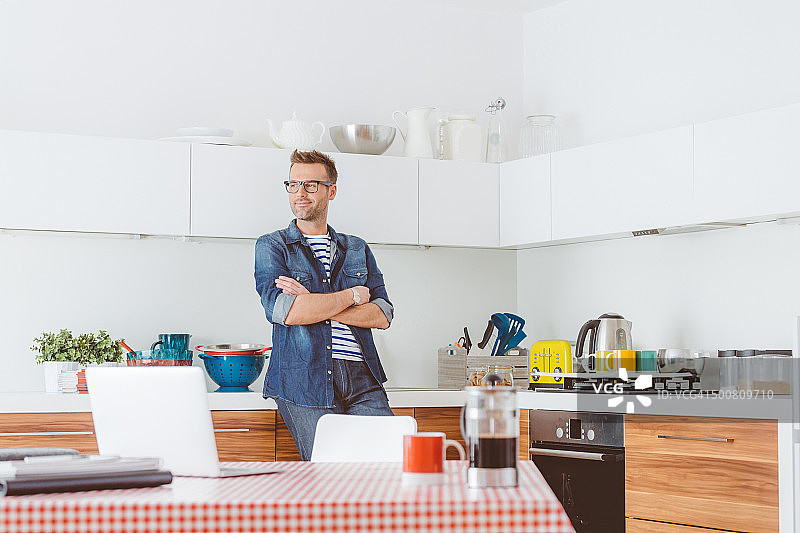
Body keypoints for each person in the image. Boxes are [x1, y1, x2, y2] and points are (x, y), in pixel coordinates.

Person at [254, 149, 395, 460]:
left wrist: (312, 302)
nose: (300, 193)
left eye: (311, 185)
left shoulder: (357, 247)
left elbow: (382, 314)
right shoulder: (273, 246)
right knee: (329, 474)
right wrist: (352, 295)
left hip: (362, 378)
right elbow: (285, 312)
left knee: (389, 466)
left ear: (331, 191)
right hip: (304, 378)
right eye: (293, 184)